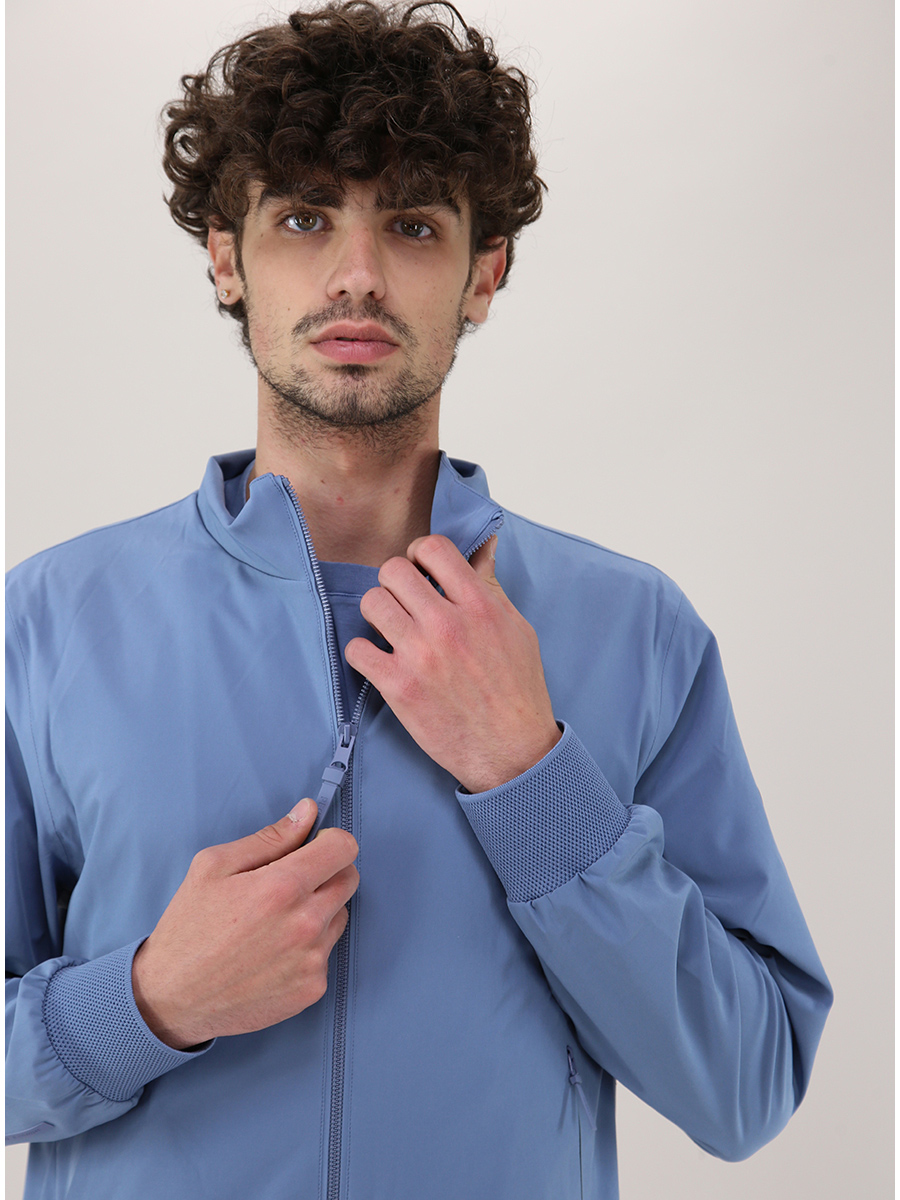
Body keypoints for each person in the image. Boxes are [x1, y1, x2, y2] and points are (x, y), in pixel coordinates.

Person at [5, 3, 832, 1197]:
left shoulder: (636, 631)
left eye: (412, 224)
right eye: (303, 218)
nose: (357, 276)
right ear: (228, 260)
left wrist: (534, 778)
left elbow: (747, 1086)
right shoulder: (48, 624)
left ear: (483, 274)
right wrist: (146, 1003)